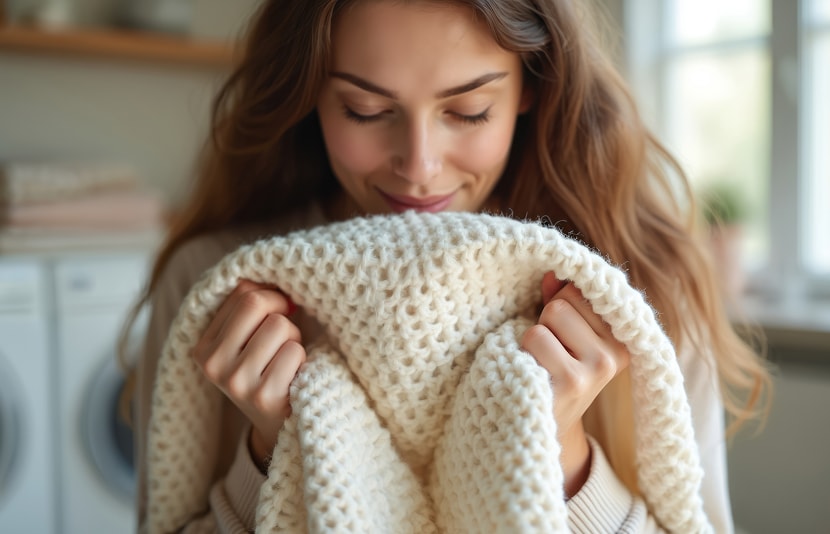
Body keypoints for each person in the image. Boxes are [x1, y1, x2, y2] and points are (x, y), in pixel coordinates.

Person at [126, 0, 771, 532]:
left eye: (468, 111)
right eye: (365, 110)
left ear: (530, 87)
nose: (420, 164)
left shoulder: (639, 287)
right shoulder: (213, 283)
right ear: (309, 94)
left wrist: (564, 465)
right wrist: (268, 463)